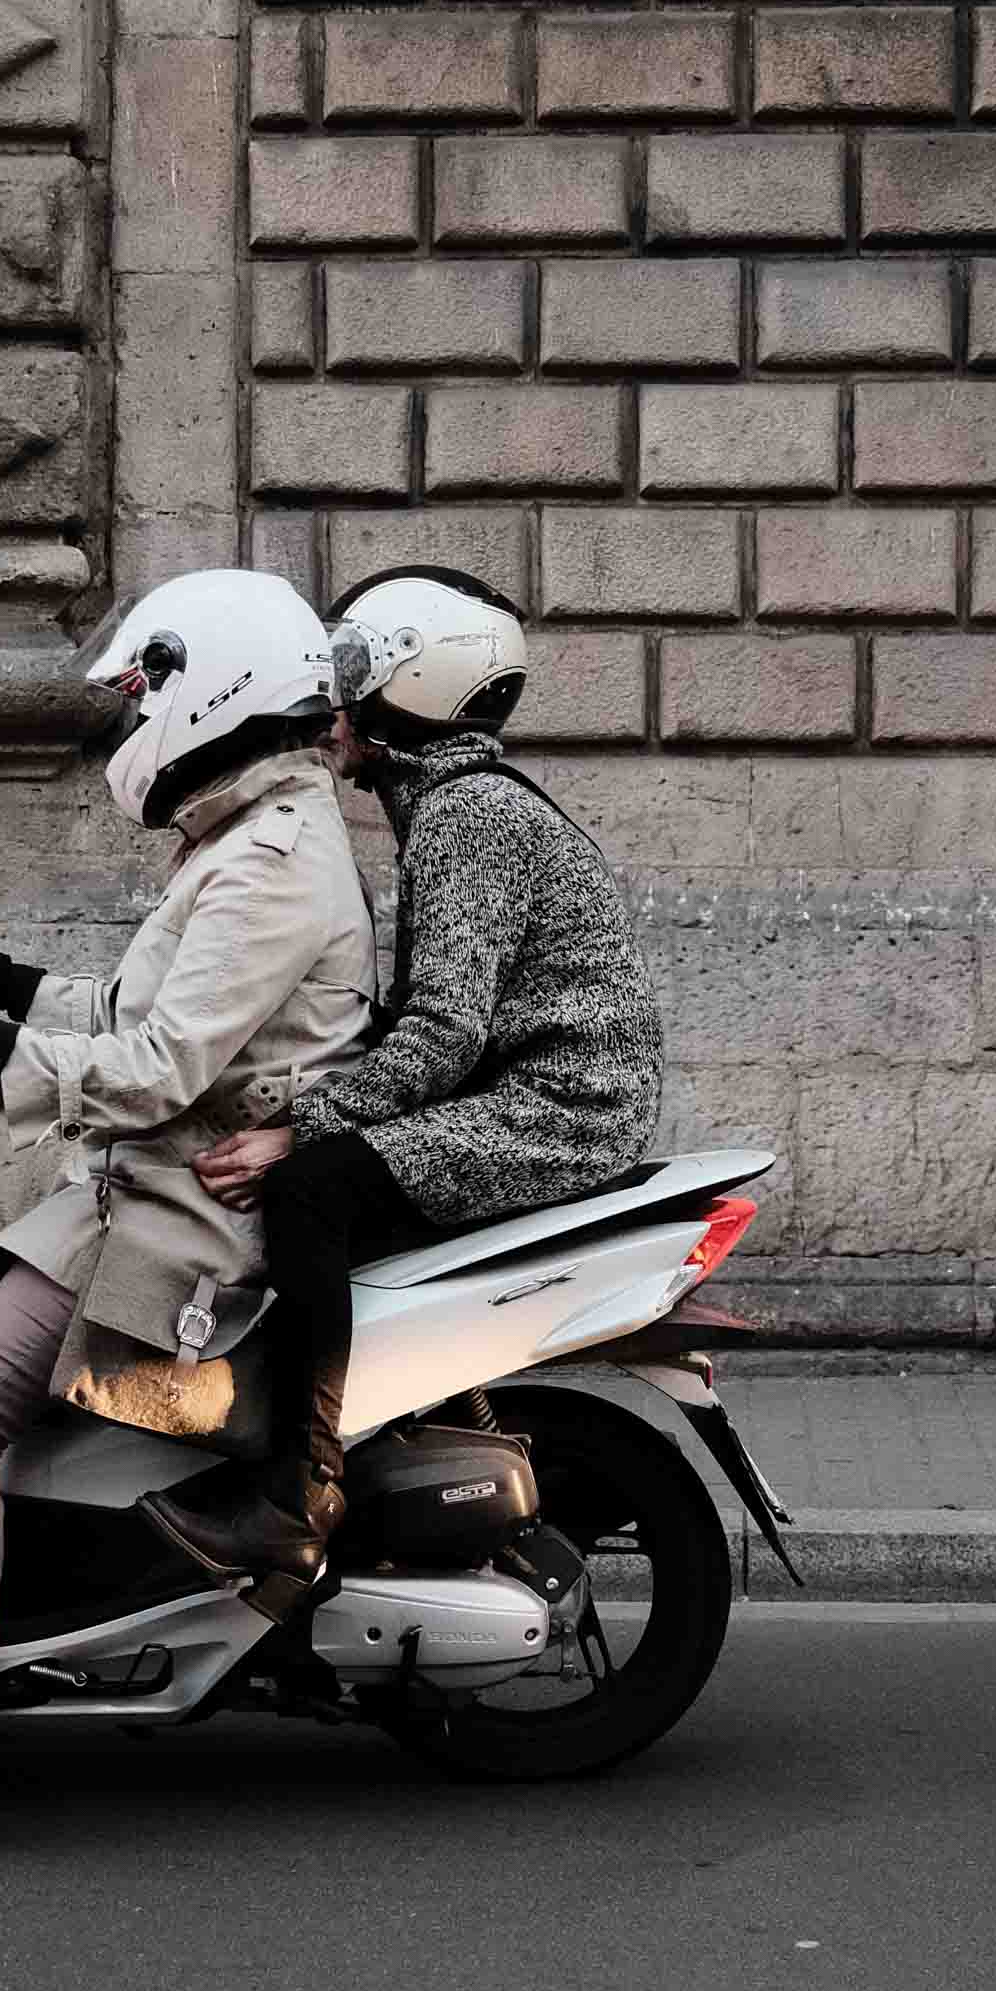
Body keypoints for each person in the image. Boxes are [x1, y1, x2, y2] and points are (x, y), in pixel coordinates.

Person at [0, 568, 375, 1859]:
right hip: (144, 1184)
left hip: (174, 1212)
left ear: (218, 687)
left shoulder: (272, 864)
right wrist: (5, 987)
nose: (135, 714)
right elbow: (148, 1018)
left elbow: (161, 1073)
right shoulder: (248, 839)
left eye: (148, 689)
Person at [144, 565, 664, 1587]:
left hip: (557, 1110)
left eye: (349, 674)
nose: (328, 704)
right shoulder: (450, 807)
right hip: (534, 1093)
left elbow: (441, 1031)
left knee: (307, 1192)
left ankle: (294, 1496)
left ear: (413, 687)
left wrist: (302, 1127)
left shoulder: (468, 815)